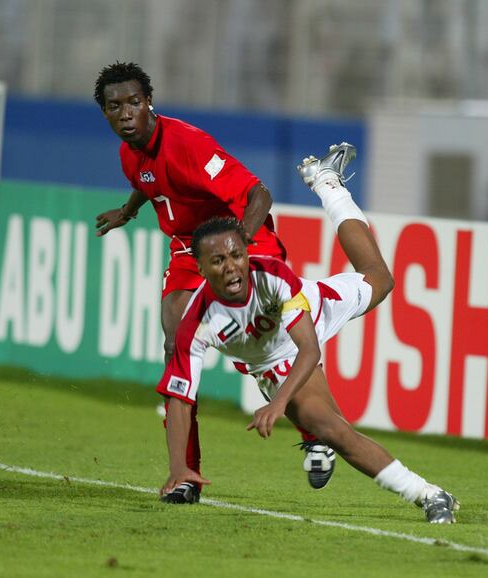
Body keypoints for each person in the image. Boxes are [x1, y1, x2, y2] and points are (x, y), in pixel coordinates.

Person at [156, 143, 460, 524]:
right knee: (330, 427)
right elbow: (180, 400)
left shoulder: (271, 275)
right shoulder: (195, 325)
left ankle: (328, 183)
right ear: (200, 270)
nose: (232, 268)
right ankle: (431, 495)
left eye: (236, 255)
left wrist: (279, 404)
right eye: (218, 261)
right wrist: (177, 467)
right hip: (273, 361)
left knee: (382, 279)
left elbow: (308, 348)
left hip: (312, 314)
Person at [92, 62, 332, 500]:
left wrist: (239, 247)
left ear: (149, 103)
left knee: (267, 339)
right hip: (188, 249)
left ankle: (315, 429)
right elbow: (151, 183)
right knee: (175, 344)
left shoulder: (189, 144)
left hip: (241, 239)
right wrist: (126, 212)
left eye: (133, 103)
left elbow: (259, 194)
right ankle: (186, 476)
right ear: (105, 114)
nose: (125, 113)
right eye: (114, 107)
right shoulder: (130, 153)